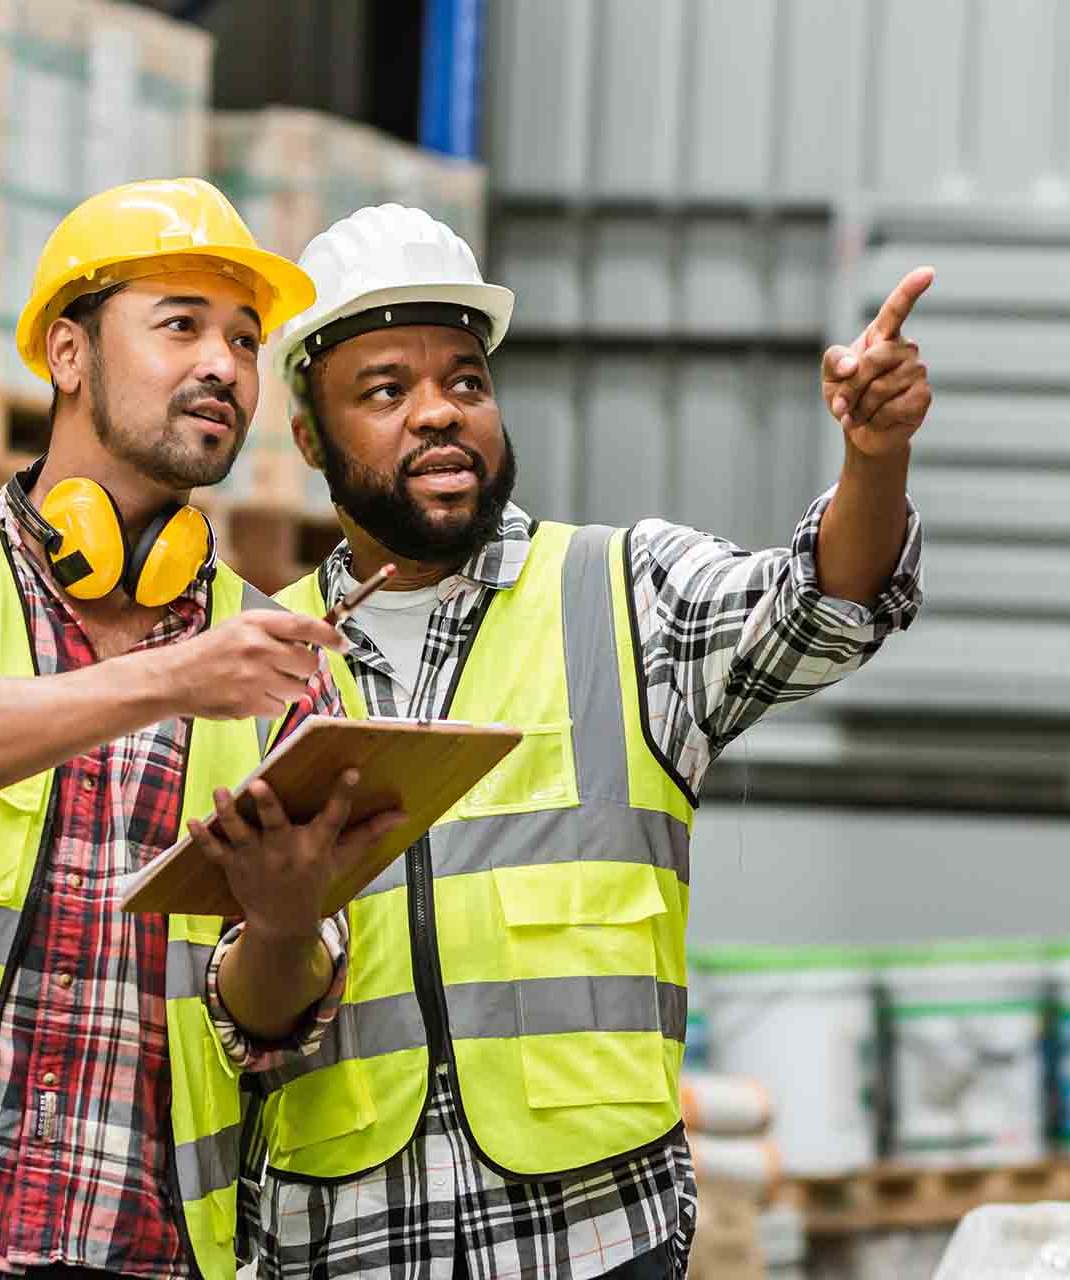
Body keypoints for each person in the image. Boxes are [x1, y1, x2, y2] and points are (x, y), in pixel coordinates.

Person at [233, 203, 931, 1279]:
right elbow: (234, 1016)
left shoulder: (624, 592)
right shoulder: (251, 667)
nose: (438, 414)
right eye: (386, 390)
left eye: (465, 380)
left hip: (593, 1238)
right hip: (347, 1240)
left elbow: (822, 605)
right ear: (310, 437)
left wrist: (871, 458)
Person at [0, 179, 406, 1280]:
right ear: (68, 352)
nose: (225, 366)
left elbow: (270, 1020)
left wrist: (289, 923)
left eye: (246, 340)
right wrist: (169, 677)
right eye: (181, 325)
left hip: (143, 1249)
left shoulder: (275, 656)